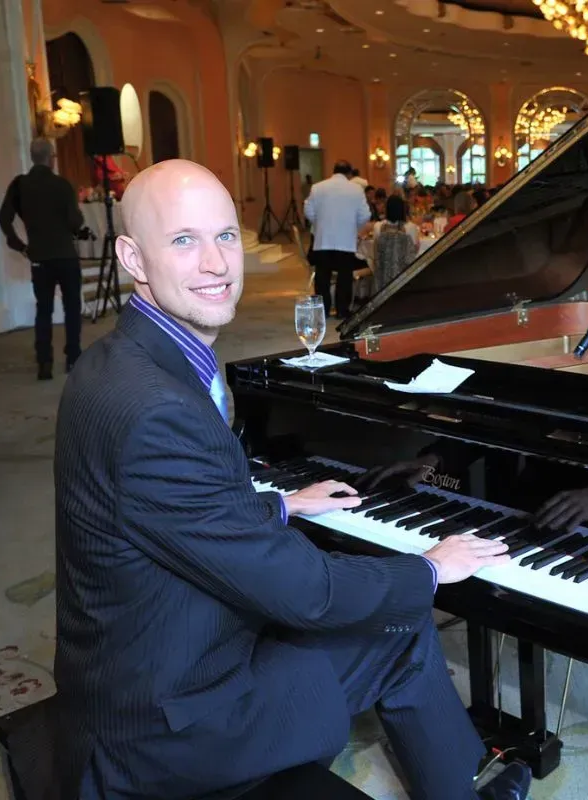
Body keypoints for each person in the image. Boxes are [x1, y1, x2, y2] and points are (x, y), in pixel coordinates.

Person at [52, 159, 528, 800]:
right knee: (401, 626)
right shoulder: (156, 410)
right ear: (133, 257)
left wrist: (281, 506)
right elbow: (306, 594)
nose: (217, 264)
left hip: (137, 671)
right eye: (184, 240)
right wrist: (430, 569)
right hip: (171, 728)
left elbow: (174, 514)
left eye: (225, 235)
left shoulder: (116, 363)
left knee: (386, 616)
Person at [0, 137, 86, 380]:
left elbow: (4, 218)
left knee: (43, 310)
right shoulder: (62, 185)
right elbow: (75, 221)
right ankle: (73, 356)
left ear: (32, 158)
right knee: (72, 307)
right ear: (51, 158)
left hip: (39, 257)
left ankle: (44, 362)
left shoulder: (20, 185)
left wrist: (19, 245)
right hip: (65, 256)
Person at [303, 160, 371, 318]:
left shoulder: (318, 187)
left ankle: (323, 310)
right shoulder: (356, 189)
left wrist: (319, 224)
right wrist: (353, 227)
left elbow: (308, 210)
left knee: (322, 277)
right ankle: (342, 310)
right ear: (349, 173)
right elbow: (365, 215)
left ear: (333, 171)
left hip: (323, 240)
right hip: (345, 241)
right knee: (344, 277)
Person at [373, 195, 417, 292]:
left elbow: (375, 251)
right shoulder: (411, 227)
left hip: (383, 274)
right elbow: (413, 251)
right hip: (403, 275)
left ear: (386, 209)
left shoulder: (377, 226)